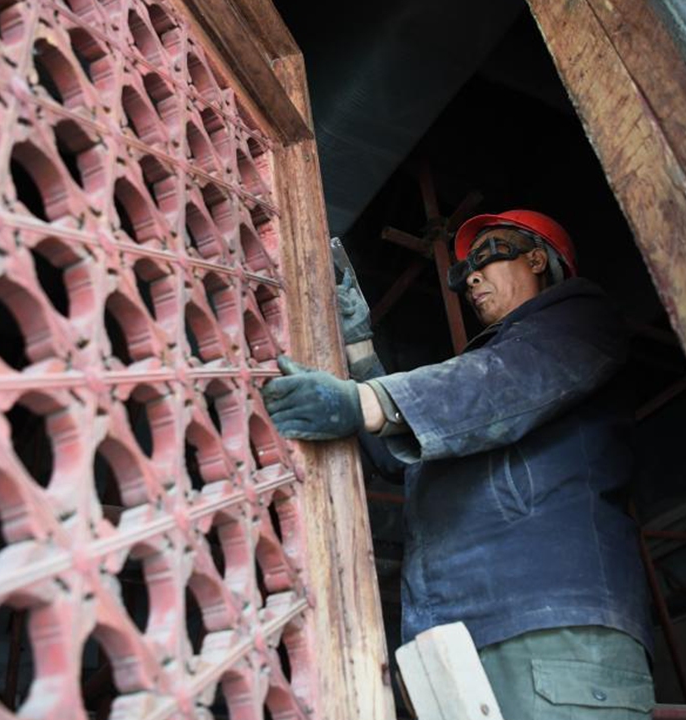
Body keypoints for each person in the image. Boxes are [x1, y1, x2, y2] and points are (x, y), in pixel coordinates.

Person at [262, 210, 655, 719]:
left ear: (538, 259)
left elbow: (498, 382)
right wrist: (358, 346)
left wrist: (364, 402)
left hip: (554, 628)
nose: (470, 277)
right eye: (463, 270)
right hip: (451, 639)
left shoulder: (581, 320)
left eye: (488, 255)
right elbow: (401, 459)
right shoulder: (476, 408)